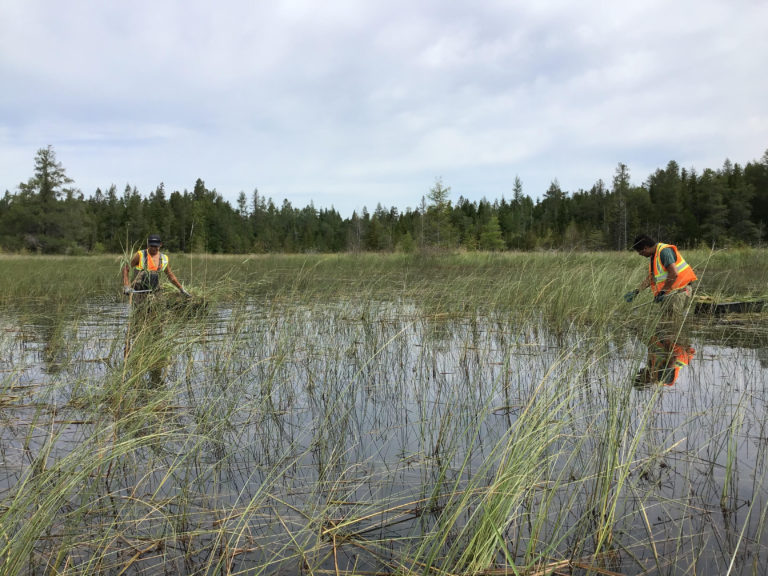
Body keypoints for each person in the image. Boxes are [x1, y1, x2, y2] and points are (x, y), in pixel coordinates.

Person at [624, 234, 697, 316]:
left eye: (640, 252)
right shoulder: (654, 255)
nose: (640, 254)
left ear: (646, 248)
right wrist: (636, 292)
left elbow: (674, 273)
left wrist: (662, 292)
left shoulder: (664, 252)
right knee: (666, 319)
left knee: (671, 322)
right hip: (670, 293)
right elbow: (652, 278)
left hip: (679, 292)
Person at [122, 234, 190, 297]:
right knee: (140, 309)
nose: (154, 248)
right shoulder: (140, 255)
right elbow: (126, 269)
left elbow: (170, 276)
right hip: (139, 293)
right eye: (152, 246)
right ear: (148, 245)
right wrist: (126, 286)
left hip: (154, 294)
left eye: (156, 246)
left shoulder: (164, 258)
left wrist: (181, 288)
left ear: (160, 245)